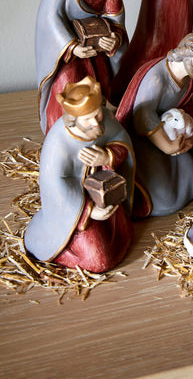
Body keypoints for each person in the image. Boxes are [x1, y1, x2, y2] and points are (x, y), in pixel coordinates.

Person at [24, 76, 135, 273]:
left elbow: (122, 142)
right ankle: (64, 251)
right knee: (99, 261)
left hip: (107, 195)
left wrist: (107, 156)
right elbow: (56, 186)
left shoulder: (105, 119)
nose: (96, 123)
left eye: (97, 115)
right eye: (87, 120)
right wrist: (90, 211)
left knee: (122, 235)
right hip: (76, 212)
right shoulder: (58, 143)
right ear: (73, 120)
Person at [116, 33, 193, 217]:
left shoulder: (188, 80)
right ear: (187, 54)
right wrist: (168, 146)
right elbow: (142, 118)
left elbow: (186, 109)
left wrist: (188, 134)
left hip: (170, 133)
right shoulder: (157, 79)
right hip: (142, 140)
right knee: (167, 201)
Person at [35, 0, 128, 134]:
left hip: (95, 47)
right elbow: (50, 17)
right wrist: (73, 47)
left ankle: (95, 128)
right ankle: (63, 131)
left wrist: (113, 39)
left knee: (100, 80)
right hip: (66, 50)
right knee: (69, 81)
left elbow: (116, 21)